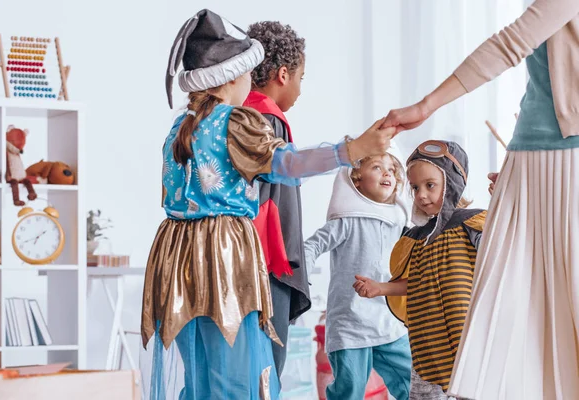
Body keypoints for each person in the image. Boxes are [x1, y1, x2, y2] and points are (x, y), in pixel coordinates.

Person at [140, 9, 396, 399]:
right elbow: (288, 165)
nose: (251, 82)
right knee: (237, 372)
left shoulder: (180, 126)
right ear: (230, 78)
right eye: (247, 74)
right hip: (224, 256)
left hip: (180, 257)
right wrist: (351, 150)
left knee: (202, 372)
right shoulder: (235, 122)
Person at [379, 1, 579, 398]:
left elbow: (511, 43)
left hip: (565, 159)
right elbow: (540, 87)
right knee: (512, 300)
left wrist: (426, 105)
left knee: (564, 295)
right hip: (527, 160)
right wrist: (514, 160)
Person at [354, 140, 486, 400]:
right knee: (424, 394)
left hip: (467, 339)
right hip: (427, 340)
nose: (421, 194)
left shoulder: (471, 225)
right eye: (415, 187)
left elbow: (500, 258)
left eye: (430, 185)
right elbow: (414, 281)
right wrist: (380, 288)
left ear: (453, 183)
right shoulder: (416, 239)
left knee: (472, 391)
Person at [304, 147, 412, 400]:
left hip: (389, 322)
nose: (387, 172)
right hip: (350, 325)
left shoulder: (400, 222)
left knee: (411, 383)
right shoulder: (346, 221)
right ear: (357, 180)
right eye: (377, 167)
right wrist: (301, 273)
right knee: (349, 390)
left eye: (392, 169)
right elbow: (312, 245)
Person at [242, 21, 310, 378]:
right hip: (268, 264)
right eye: (300, 77)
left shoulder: (237, 114)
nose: (300, 88)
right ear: (283, 74)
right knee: (266, 369)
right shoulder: (268, 121)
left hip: (243, 261)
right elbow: (273, 204)